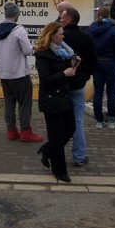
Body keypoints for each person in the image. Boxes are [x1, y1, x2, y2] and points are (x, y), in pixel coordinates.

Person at [0, 1, 43, 143]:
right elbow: (27, 51)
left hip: (4, 72)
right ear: (16, 14)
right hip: (19, 73)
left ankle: (11, 131)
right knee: (25, 103)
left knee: (9, 102)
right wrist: (35, 48)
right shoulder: (19, 30)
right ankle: (26, 131)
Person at [33, 22, 77, 183]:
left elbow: (64, 70)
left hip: (64, 97)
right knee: (57, 136)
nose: (63, 36)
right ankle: (60, 171)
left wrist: (72, 64)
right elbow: (45, 81)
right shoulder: (43, 55)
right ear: (51, 35)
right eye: (60, 34)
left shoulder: (63, 52)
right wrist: (64, 73)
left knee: (70, 128)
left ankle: (47, 150)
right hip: (51, 100)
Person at [60, 7, 97, 167]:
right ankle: (79, 156)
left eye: (62, 17)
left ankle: (57, 155)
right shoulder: (86, 38)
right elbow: (93, 61)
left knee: (59, 121)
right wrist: (85, 75)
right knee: (77, 121)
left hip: (61, 85)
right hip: (78, 84)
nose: (60, 19)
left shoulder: (59, 38)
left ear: (69, 20)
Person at [89, 6, 115, 129]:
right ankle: (111, 120)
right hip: (111, 64)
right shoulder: (113, 30)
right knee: (111, 92)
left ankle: (99, 120)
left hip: (97, 64)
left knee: (98, 92)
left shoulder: (91, 29)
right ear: (108, 15)